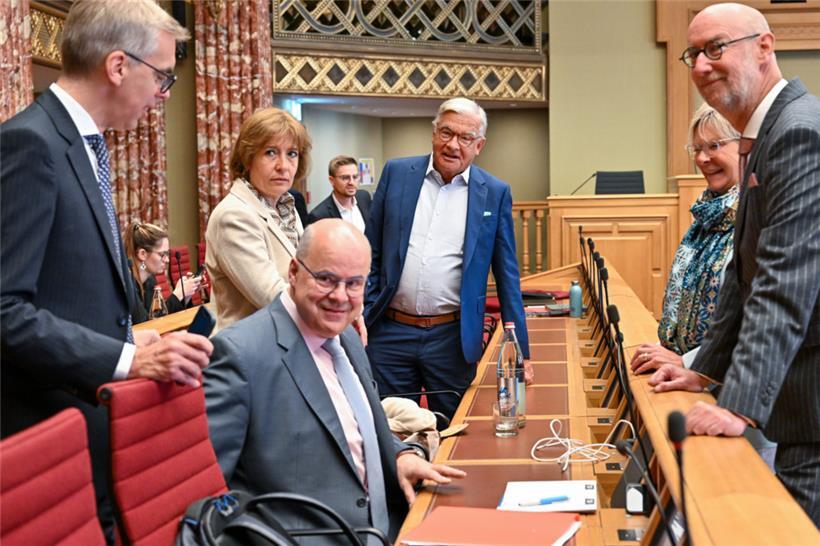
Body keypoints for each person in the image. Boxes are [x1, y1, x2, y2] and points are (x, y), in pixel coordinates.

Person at [0, 0, 213, 539]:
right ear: (118, 67)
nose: (163, 96)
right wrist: (128, 360)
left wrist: (144, 338)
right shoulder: (32, 143)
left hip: (93, 426)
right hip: (48, 441)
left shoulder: (84, 144)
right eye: (162, 77)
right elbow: (5, 311)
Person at [649, 3, 820, 525]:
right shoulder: (764, 134)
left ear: (765, 47)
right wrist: (704, 370)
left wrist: (736, 406)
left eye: (716, 48)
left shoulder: (796, 131)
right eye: (693, 53)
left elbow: (782, 281)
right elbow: (741, 278)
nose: (701, 65)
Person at [203, 219, 465, 544]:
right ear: (294, 272)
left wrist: (399, 455)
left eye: (354, 283)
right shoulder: (241, 353)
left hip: (392, 526)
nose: (340, 296)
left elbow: (354, 428)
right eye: (326, 279)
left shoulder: (346, 337)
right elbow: (207, 493)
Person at [364, 97, 531, 419]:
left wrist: (521, 351)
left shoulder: (494, 192)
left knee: (456, 428)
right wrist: (367, 310)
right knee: (391, 428)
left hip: (452, 339)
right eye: (446, 133)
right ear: (433, 133)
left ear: (479, 145)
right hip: (390, 334)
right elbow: (371, 250)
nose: (453, 145)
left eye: (465, 138)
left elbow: (507, 274)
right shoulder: (397, 173)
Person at [630, 104, 740, 373]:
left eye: (714, 146)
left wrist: (686, 361)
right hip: (688, 373)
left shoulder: (755, 217)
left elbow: (753, 326)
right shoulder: (706, 216)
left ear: (745, 146)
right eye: (697, 149)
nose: (702, 158)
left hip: (723, 384)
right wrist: (666, 348)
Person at [205, 107, 311, 330]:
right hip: (249, 354)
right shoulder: (234, 215)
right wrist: (338, 306)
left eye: (291, 153)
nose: (283, 166)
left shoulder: (286, 206)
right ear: (248, 158)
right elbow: (273, 297)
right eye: (271, 152)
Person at [124, 221, 204, 323]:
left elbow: (159, 318)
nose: (167, 260)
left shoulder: (150, 280)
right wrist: (178, 294)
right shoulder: (126, 283)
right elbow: (145, 325)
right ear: (142, 254)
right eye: (162, 254)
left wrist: (185, 295)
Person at [307, 155, 372, 231]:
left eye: (355, 177)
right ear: (332, 180)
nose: (351, 182)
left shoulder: (364, 197)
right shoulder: (319, 216)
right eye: (345, 178)